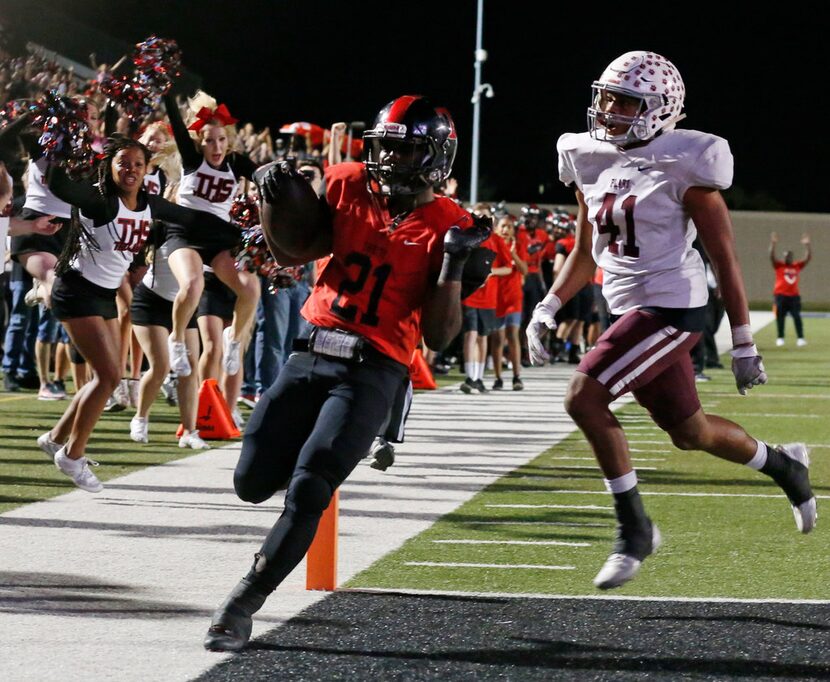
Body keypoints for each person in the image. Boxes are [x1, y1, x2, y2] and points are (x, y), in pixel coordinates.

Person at [203, 94, 488, 652]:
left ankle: (242, 603)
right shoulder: (346, 181)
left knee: (310, 486)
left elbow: (440, 335)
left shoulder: (456, 226)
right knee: (251, 483)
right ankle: (322, 461)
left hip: (374, 368)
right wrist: (271, 202)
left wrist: (453, 263)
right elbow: (293, 251)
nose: (390, 162)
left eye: (405, 153)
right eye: (385, 149)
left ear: (436, 158)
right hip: (310, 351)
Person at [527, 51, 816, 591]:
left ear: (660, 109)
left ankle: (635, 530)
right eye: (607, 96)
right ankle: (785, 466)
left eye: (627, 100)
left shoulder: (689, 160)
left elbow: (724, 258)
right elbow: (586, 251)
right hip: (627, 308)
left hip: (672, 306)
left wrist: (746, 342)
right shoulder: (587, 156)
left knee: (582, 396)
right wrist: (547, 306)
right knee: (691, 432)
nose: (611, 109)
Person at [39, 134, 241, 492]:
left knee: (108, 376)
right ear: (110, 166)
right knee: (110, 376)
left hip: (104, 295)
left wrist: (246, 232)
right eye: (123, 163)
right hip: (76, 291)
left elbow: (193, 219)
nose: (131, 170)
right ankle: (71, 455)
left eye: (137, 164)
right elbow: (60, 185)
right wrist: (54, 146)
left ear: (147, 169)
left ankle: (56, 438)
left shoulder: (150, 203)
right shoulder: (100, 200)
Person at [769, 231, 811, 347]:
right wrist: (773, 244)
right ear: (784, 257)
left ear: (792, 257)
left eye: (790, 256)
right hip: (780, 295)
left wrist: (807, 245)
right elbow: (771, 257)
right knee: (780, 317)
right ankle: (780, 337)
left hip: (794, 296)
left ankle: (800, 338)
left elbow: (808, 258)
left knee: (797, 316)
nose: (788, 257)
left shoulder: (796, 266)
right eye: (786, 256)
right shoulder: (779, 266)